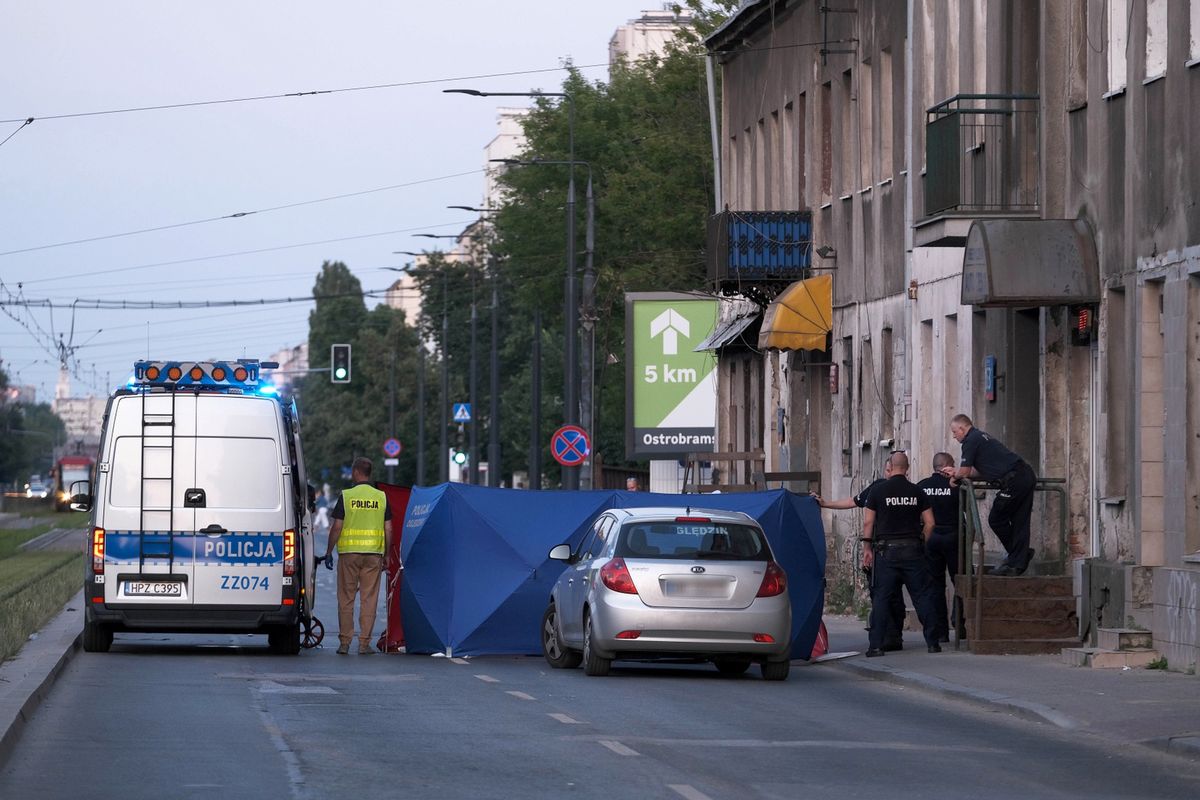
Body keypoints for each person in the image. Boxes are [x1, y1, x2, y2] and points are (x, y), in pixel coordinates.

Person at [813, 475, 906, 651]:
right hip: (889, 549)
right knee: (887, 594)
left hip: (887, 549)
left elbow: (867, 521)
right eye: (888, 469)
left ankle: (891, 636)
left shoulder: (898, 488)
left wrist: (867, 549)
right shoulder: (882, 487)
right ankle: (894, 636)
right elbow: (854, 501)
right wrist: (826, 504)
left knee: (885, 594)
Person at [862, 451, 940, 656]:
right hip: (913, 550)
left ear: (890, 467)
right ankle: (933, 642)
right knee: (922, 596)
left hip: (886, 553)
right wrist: (921, 542)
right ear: (907, 468)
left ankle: (876, 646)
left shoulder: (878, 491)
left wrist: (867, 549)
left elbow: (868, 522)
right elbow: (930, 523)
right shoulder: (917, 491)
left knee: (881, 599)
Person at [942, 414, 1037, 576]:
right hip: (1024, 475)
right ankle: (1018, 560)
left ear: (962, 428)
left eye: (954, 432)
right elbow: (977, 472)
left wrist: (955, 478)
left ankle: (1018, 556)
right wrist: (957, 473)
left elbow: (965, 471)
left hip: (1014, 480)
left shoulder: (970, 441)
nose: (954, 436)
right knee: (1020, 521)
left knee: (996, 518)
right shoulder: (980, 437)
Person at [322, 457, 394, 655]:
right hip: (373, 555)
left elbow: (337, 527)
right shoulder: (381, 497)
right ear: (369, 473)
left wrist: (329, 551)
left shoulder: (347, 496)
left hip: (349, 555)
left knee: (346, 598)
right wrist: (387, 554)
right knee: (369, 599)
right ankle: (364, 644)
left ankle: (345, 642)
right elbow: (388, 529)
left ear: (355, 472)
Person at [916, 452, 960, 642]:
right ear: (948, 465)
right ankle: (961, 624)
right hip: (954, 536)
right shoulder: (956, 486)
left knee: (935, 585)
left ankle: (941, 632)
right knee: (961, 581)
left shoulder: (922, 487)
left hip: (931, 538)